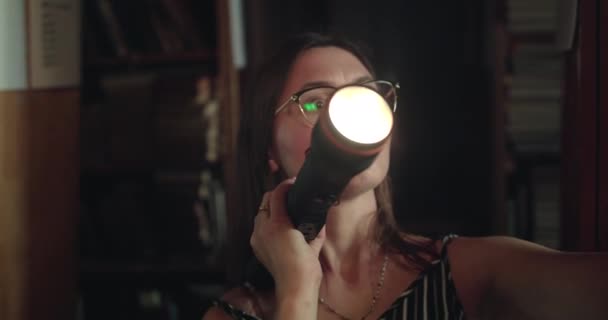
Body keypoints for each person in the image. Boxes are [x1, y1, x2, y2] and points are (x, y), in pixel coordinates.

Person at [203, 33, 608, 320]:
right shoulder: (235, 313)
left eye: (367, 94)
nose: (346, 114)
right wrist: (296, 290)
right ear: (269, 148)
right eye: (314, 103)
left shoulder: (465, 273)